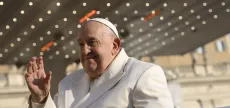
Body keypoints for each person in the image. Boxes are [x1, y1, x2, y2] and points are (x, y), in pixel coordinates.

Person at [25, 18, 174, 108]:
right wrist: (41, 99)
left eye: (92, 42)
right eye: (81, 44)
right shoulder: (68, 83)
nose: (85, 50)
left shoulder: (143, 74)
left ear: (114, 46)